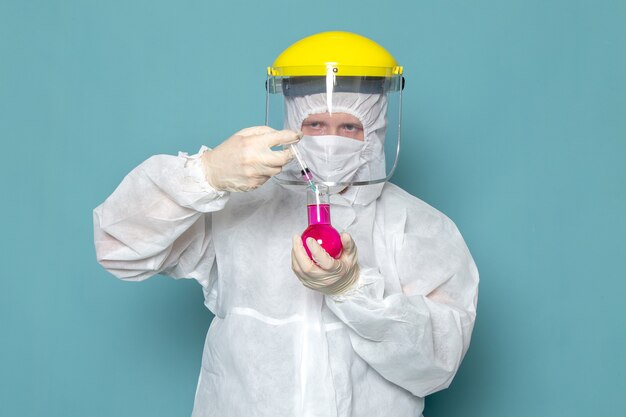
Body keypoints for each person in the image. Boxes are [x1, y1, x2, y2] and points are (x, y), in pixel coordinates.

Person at [93, 31, 479, 417]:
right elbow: (119, 247)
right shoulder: (241, 208)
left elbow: (436, 364)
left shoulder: (417, 227)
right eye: (315, 124)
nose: (331, 141)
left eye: (349, 127)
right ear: (293, 123)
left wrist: (354, 291)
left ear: (374, 131)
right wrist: (204, 175)